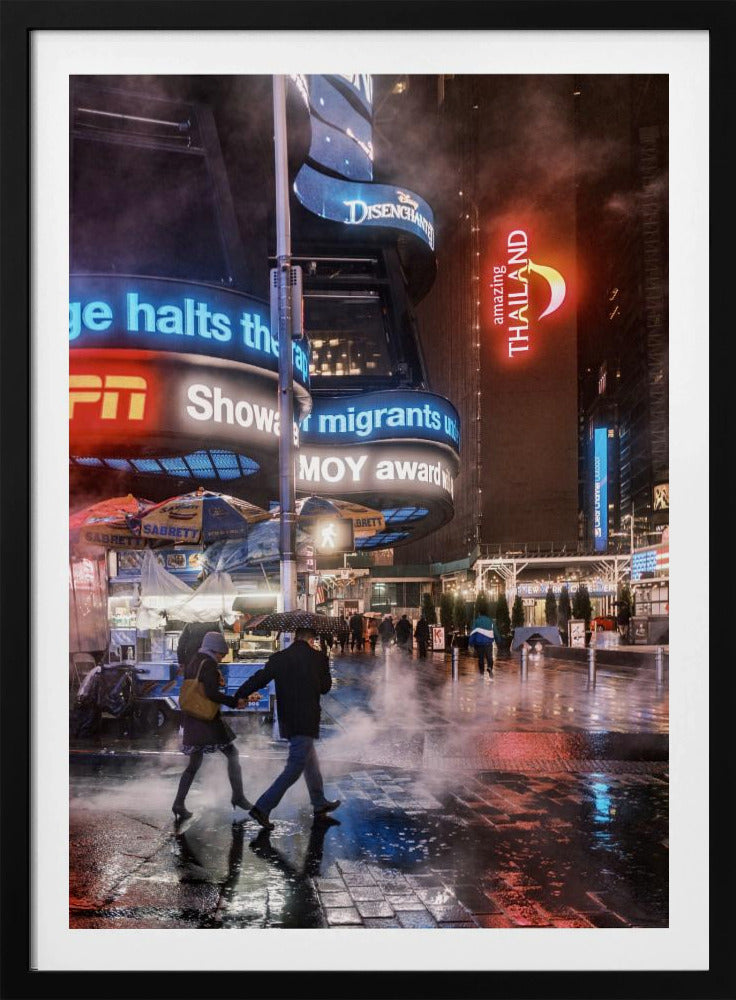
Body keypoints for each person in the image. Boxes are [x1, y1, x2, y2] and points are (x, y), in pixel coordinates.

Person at [232, 627, 340, 830]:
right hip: (307, 718)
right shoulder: (318, 658)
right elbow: (325, 688)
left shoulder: (280, 658)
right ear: (311, 638)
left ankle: (319, 803)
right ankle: (262, 807)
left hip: (288, 718)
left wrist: (241, 694)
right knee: (296, 765)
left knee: (310, 761)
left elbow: (259, 678)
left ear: (295, 637)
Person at [171, 632, 252, 825]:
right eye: (221, 653)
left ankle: (178, 804)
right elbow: (211, 694)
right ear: (214, 649)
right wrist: (234, 702)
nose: (222, 657)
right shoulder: (208, 664)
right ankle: (238, 796)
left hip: (193, 717)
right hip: (207, 720)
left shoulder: (194, 660)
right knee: (232, 754)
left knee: (194, 763)